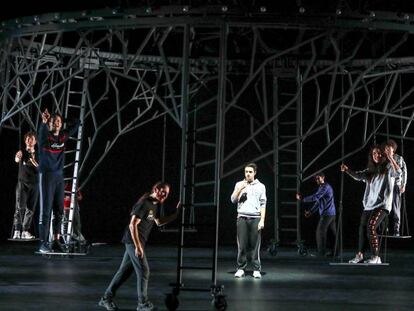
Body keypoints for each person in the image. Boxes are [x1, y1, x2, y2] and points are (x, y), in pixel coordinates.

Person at [98, 181, 180, 311]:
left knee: (123, 273)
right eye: (163, 191)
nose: (165, 195)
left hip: (136, 243)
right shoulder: (144, 203)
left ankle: (106, 299)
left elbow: (158, 222)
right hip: (133, 242)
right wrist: (138, 246)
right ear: (156, 189)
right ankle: (143, 303)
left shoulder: (155, 204)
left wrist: (175, 215)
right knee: (144, 271)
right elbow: (132, 225)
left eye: (167, 194)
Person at [341, 144, 401, 264]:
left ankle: (376, 257)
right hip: (369, 205)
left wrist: (391, 158)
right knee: (362, 229)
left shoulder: (388, 168)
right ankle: (360, 255)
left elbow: (398, 172)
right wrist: (347, 170)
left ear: (383, 155)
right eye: (374, 153)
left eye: (379, 153)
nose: (377, 155)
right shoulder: (370, 171)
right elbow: (357, 176)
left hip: (382, 205)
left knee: (371, 226)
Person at [37, 109, 79, 253]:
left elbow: (77, 123)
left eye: (59, 122)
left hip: (59, 176)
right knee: (46, 211)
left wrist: (64, 119)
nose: (57, 123)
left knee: (59, 211)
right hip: (47, 175)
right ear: (50, 123)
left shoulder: (62, 136)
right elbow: (41, 131)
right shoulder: (45, 136)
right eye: (54, 121)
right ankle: (43, 243)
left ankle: (56, 240)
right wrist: (44, 121)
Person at [231, 163, 267, 279]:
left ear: (255, 173)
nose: (248, 174)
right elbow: (232, 200)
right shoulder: (239, 184)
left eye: (250, 172)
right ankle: (241, 268)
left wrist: (262, 220)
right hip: (242, 217)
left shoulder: (261, 186)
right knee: (242, 245)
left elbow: (263, 204)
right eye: (246, 171)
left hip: (255, 218)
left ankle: (256, 269)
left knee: (255, 245)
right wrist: (240, 189)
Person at [296, 172, 336, 257]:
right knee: (332, 234)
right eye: (316, 178)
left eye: (319, 178)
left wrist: (303, 198)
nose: (317, 180)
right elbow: (318, 202)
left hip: (327, 214)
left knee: (320, 232)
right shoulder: (322, 187)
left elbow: (316, 197)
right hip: (330, 213)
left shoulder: (325, 187)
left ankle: (321, 253)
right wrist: (311, 211)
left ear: (323, 177)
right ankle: (335, 252)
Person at [12, 131, 39, 240]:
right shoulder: (22, 152)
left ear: (35, 141)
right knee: (19, 207)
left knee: (30, 209)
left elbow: (41, 169)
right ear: (25, 141)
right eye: (28, 138)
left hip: (34, 184)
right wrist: (17, 157)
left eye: (32, 138)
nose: (29, 140)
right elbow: (17, 159)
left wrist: (34, 162)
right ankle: (17, 231)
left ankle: (25, 231)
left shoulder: (39, 154)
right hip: (22, 183)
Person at [384, 139, 407, 236]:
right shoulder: (383, 159)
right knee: (385, 207)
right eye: (386, 149)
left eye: (389, 149)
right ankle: (385, 228)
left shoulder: (398, 158)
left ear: (393, 150)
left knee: (396, 207)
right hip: (386, 186)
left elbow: (403, 172)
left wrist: (403, 185)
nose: (387, 150)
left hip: (396, 185)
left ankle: (396, 230)